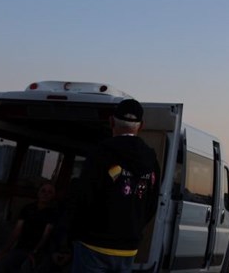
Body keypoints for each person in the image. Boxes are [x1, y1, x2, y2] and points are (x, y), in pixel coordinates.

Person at [68, 99, 160, 273]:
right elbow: (151, 204)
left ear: (111, 121)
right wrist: (132, 227)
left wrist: (71, 236)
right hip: (127, 248)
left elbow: (83, 198)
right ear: (141, 126)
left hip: (93, 245)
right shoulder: (152, 161)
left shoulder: (100, 154)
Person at [0, 180, 60, 273]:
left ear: (53, 196)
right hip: (21, 248)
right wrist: (4, 251)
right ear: (38, 193)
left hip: (40, 252)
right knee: (1, 264)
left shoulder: (53, 213)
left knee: (27, 267)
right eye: (43, 191)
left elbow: (46, 235)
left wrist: (35, 252)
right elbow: (17, 231)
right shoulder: (28, 208)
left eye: (49, 192)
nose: (45, 194)